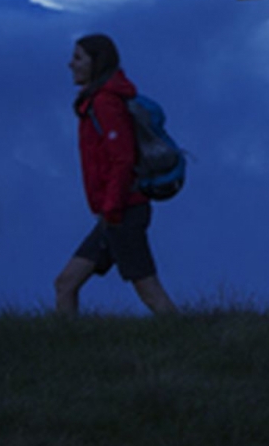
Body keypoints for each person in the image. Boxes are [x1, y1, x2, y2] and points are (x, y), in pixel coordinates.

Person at [53, 34, 177, 315]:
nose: (71, 65)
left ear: (96, 63)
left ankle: (196, 343)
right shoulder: (99, 100)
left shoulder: (105, 102)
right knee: (65, 283)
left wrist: (111, 208)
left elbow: (122, 158)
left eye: (78, 58)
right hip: (116, 213)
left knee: (150, 292)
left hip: (123, 212)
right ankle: (65, 350)